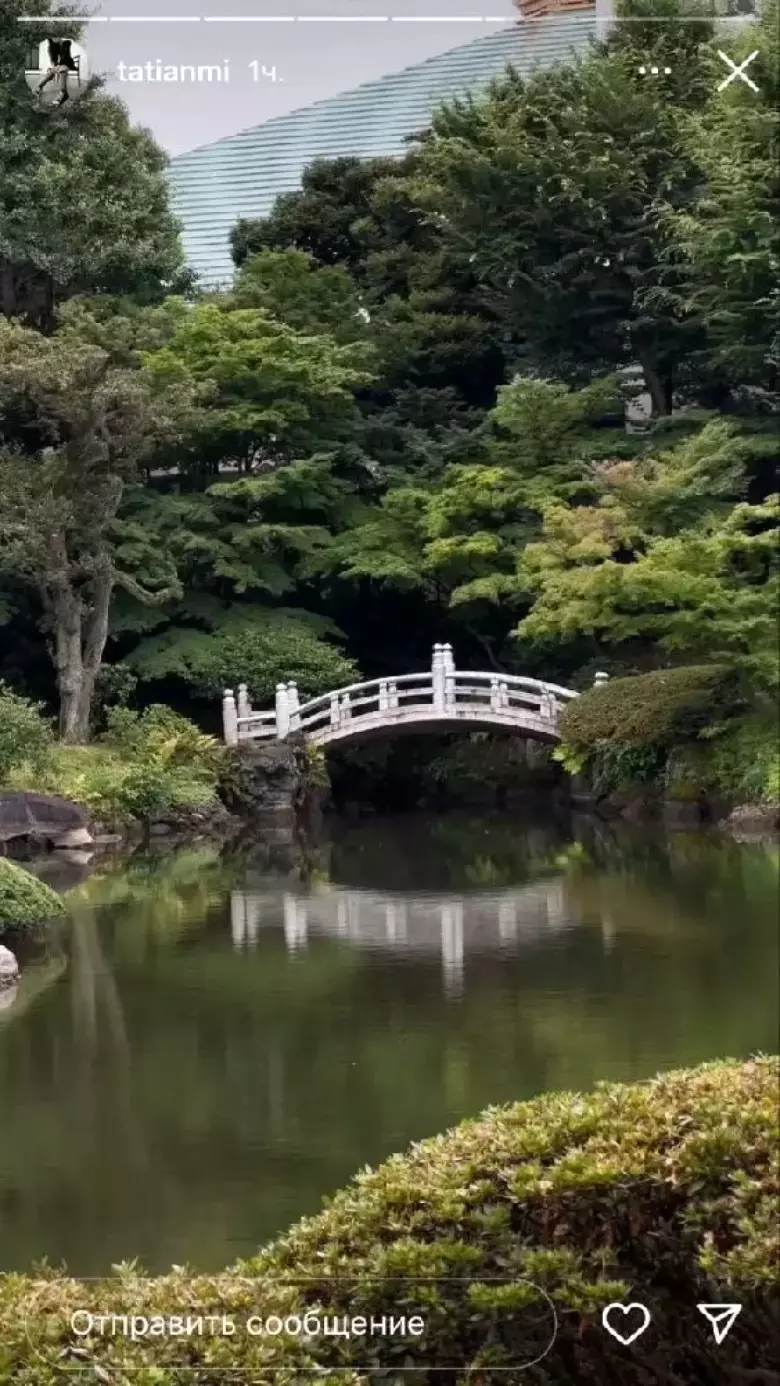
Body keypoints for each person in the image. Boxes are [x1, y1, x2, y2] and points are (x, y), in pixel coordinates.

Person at [37, 39, 78, 106]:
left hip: (66, 64)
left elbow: (65, 58)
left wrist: (59, 65)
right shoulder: (55, 48)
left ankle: (63, 93)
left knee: (62, 69)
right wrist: (55, 66)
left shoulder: (65, 45)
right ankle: (40, 87)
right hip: (61, 64)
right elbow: (55, 60)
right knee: (53, 70)